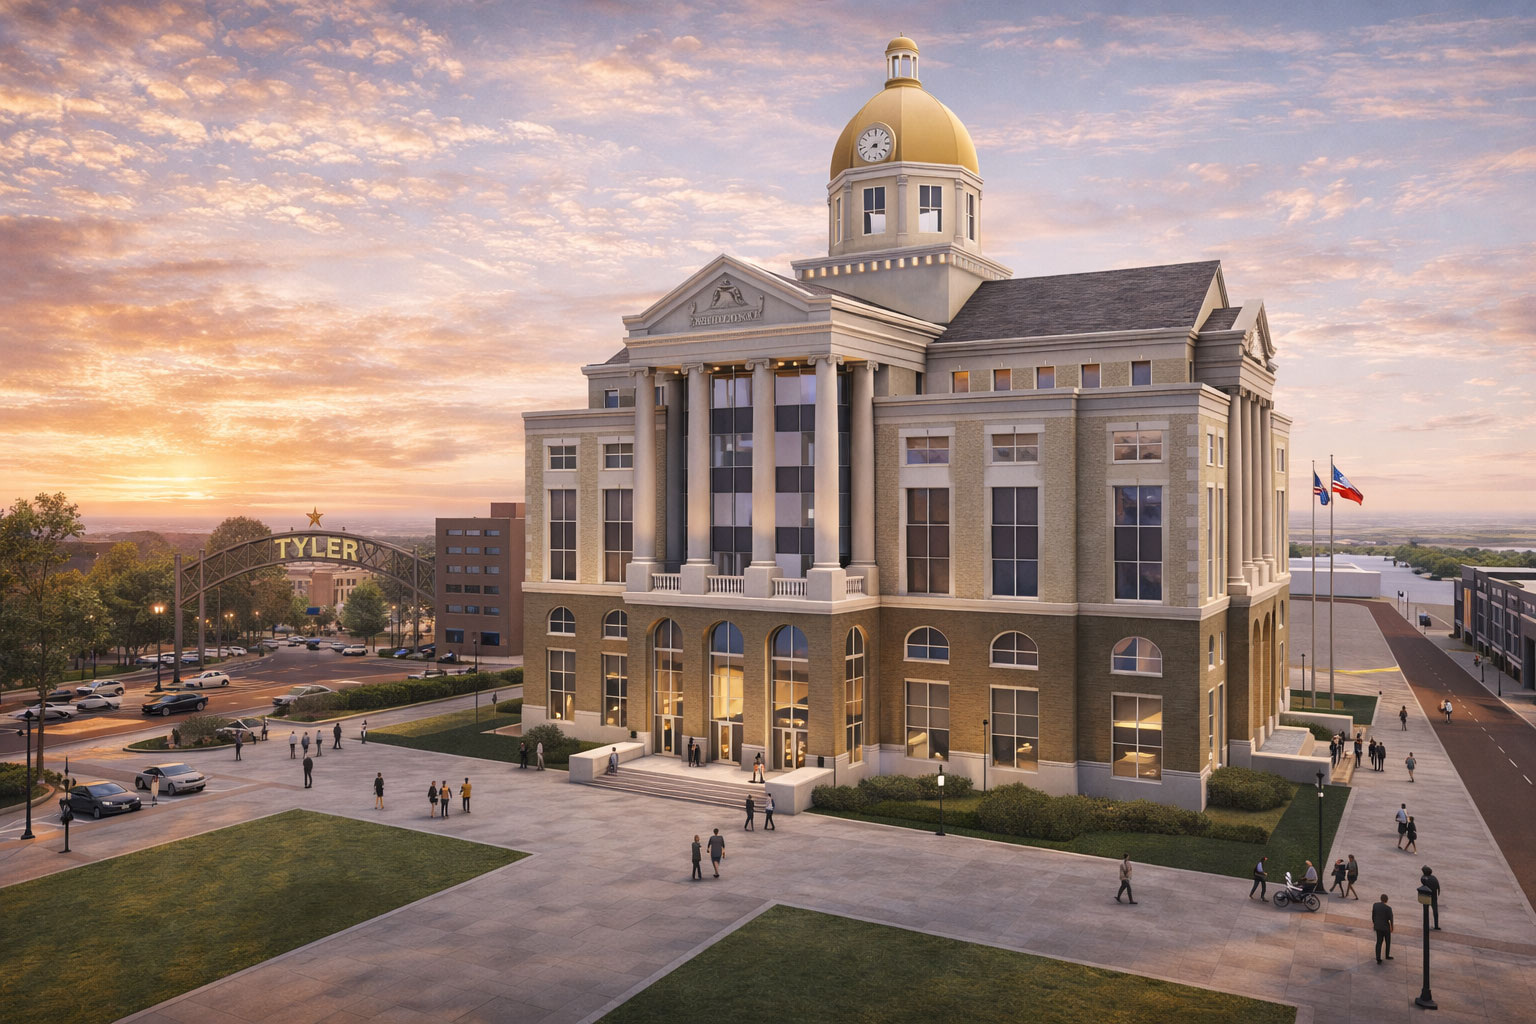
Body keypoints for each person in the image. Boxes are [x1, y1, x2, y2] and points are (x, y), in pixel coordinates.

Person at [1372, 894, 1395, 963]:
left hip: (1378, 926)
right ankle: (1387, 955)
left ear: (1380, 898)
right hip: (1385, 928)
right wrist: (1392, 927)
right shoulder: (1388, 908)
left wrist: (1375, 923)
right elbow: (1391, 919)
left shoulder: (1375, 905)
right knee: (1387, 941)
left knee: (1379, 942)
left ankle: (1378, 958)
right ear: (1386, 900)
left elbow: (1373, 916)